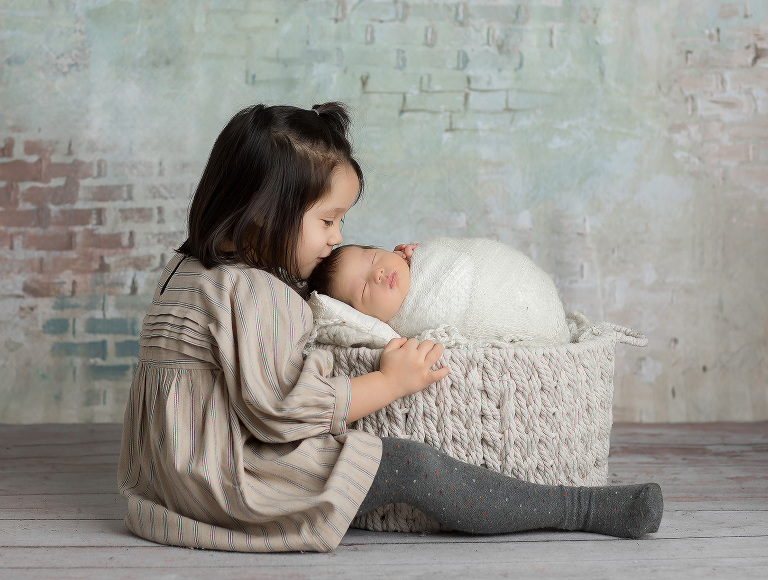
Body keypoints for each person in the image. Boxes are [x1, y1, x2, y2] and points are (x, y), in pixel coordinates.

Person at [117, 102, 663, 554]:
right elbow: (280, 412)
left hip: (169, 473)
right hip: (231, 480)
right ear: (264, 215)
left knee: (388, 464)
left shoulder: (186, 274)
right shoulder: (256, 293)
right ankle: (577, 506)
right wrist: (390, 383)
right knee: (411, 465)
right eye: (327, 221)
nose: (336, 238)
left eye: (343, 222)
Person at [307, 237, 571, 346]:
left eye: (374, 258)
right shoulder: (397, 331)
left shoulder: (419, 259)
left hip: (517, 289)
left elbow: (463, 257)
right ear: (371, 320)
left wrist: (420, 258)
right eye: (364, 289)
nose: (378, 273)